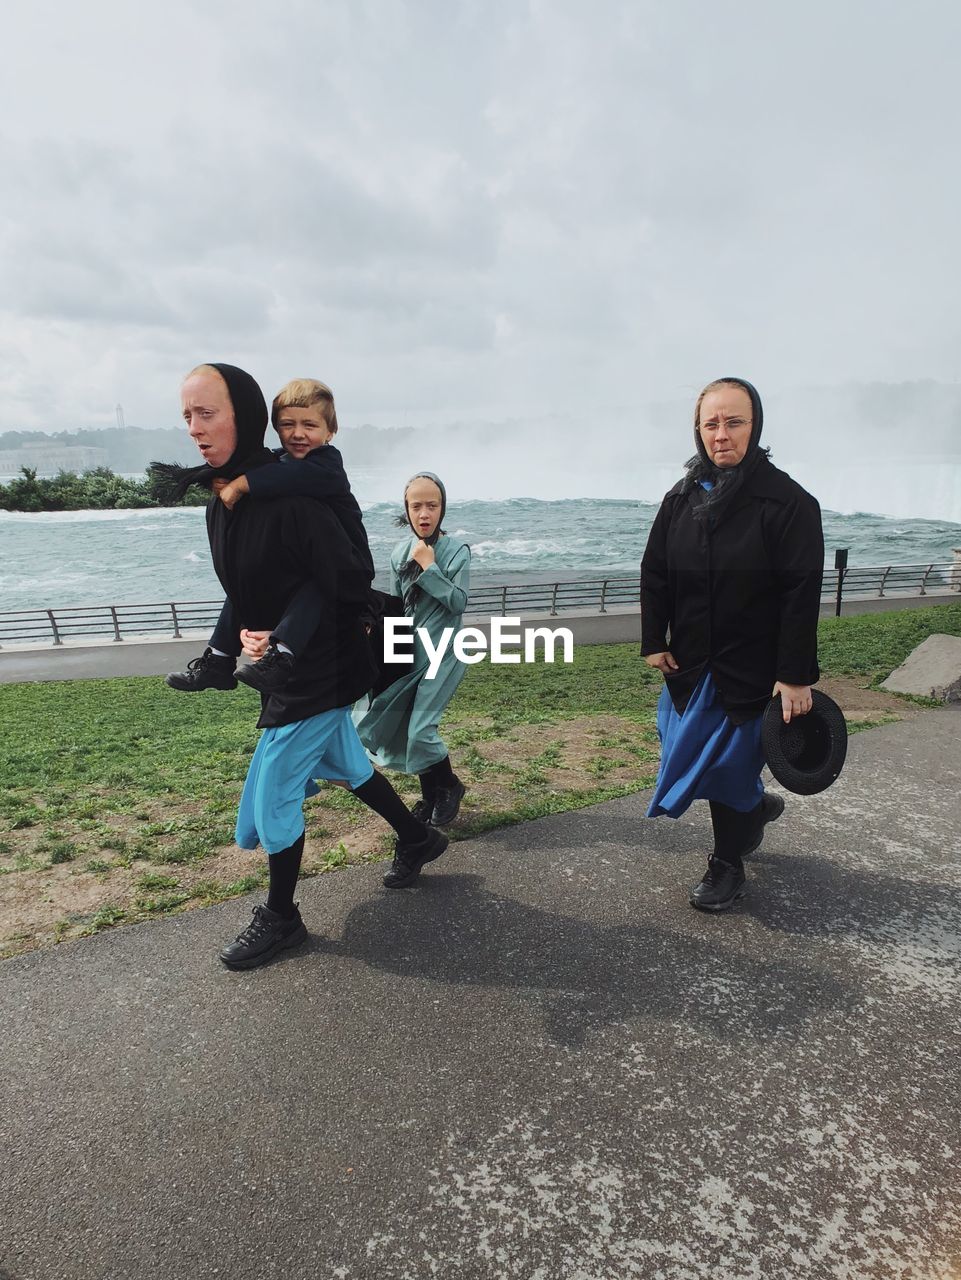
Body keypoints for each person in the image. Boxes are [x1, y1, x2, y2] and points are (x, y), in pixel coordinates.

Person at [170, 363, 448, 968]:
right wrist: (238, 641)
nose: (194, 427)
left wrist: (285, 635)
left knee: (273, 791)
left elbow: (348, 578)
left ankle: (282, 916)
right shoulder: (227, 498)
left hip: (319, 667)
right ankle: (419, 837)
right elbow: (250, 585)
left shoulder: (291, 492)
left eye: (207, 412)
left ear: (239, 416)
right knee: (345, 763)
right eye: (187, 414)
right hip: (285, 665)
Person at [640, 376, 824, 912]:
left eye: (734, 422)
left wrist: (794, 674)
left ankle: (727, 863)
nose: (722, 434)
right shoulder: (680, 497)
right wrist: (655, 638)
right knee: (688, 755)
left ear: (755, 425)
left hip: (755, 667)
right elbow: (655, 571)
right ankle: (755, 808)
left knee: (725, 768)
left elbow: (800, 593)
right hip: (692, 663)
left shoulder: (788, 503)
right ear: (698, 431)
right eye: (711, 423)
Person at [165, 378, 373, 695]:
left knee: (315, 590)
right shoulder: (280, 460)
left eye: (310, 425)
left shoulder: (327, 463)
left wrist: (241, 485)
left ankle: (283, 655)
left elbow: (287, 476)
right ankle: (219, 661)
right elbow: (261, 466)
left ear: (330, 431)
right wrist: (215, 480)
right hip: (309, 558)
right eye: (287, 424)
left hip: (345, 565)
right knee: (242, 586)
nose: (298, 433)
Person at [355, 473, 470, 829]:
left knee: (422, 730)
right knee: (404, 726)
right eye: (416, 505)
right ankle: (431, 793)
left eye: (431, 505)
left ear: (442, 509)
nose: (424, 513)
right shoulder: (397, 553)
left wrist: (428, 567)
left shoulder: (456, 552)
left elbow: (458, 602)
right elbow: (395, 606)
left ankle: (450, 785)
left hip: (444, 652)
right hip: (409, 648)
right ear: (406, 509)